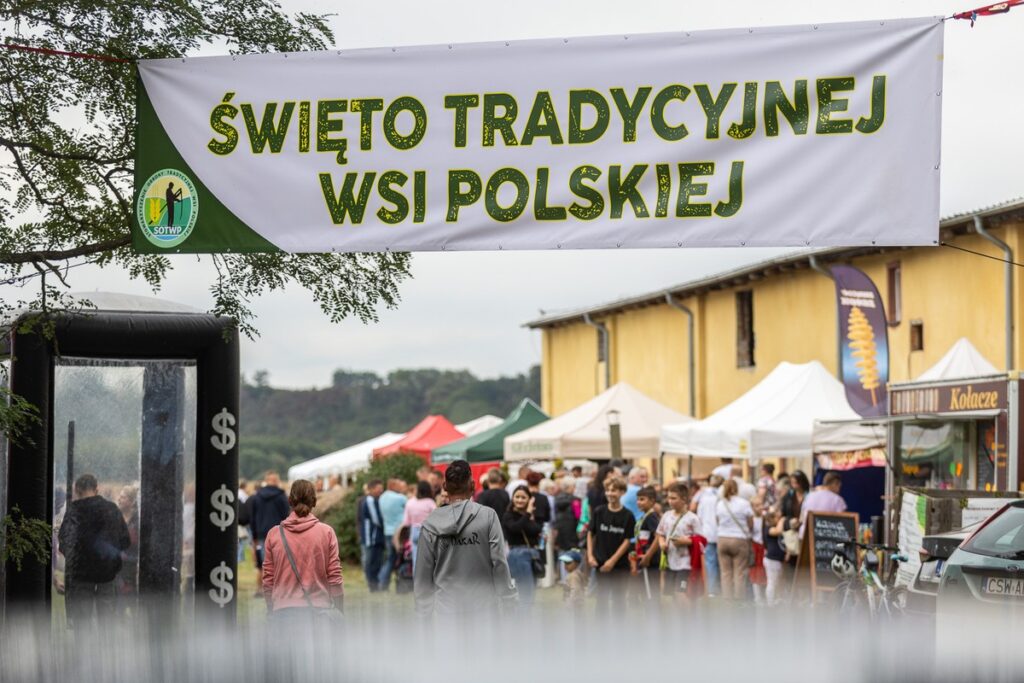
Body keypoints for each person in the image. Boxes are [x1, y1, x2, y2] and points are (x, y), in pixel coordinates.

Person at [415, 460, 517, 617]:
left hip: (447, 609)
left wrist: (424, 613)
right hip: (484, 608)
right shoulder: (488, 516)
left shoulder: (431, 523)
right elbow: (498, 562)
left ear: (445, 487)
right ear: (473, 485)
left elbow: (423, 573)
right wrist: (508, 598)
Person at [261, 479, 343, 624]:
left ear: (289, 501)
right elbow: (334, 575)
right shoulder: (327, 532)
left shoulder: (274, 534)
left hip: (283, 611)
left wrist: (270, 608)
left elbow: (268, 578)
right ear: (314, 502)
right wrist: (339, 608)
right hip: (318, 610)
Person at [58, 474, 131, 629]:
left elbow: (64, 542)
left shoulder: (74, 511)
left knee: (82, 626)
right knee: (107, 626)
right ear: (96, 489)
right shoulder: (112, 509)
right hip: (107, 576)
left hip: (81, 577)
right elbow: (125, 541)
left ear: (77, 490)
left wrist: (77, 559)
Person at [587, 475, 633, 617]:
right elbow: (590, 533)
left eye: (613, 490)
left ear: (622, 492)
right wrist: (590, 556)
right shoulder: (599, 512)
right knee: (601, 600)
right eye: (607, 490)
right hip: (601, 563)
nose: (609, 493)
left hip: (620, 566)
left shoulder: (628, 515)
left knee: (619, 600)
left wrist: (612, 561)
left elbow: (627, 541)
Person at [656, 482, 702, 605]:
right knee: (671, 595)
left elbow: (701, 540)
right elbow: (660, 533)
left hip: (685, 564)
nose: (670, 501)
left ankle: (689, 616)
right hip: (670, 563)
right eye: (669, 498)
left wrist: (686, 541)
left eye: (673, 498)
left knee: (681, 593)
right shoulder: (666, 516)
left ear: (684, 499)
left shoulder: (692, 518)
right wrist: (662, 543)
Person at [502, 485, 543, 607]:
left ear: (529, 499)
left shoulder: (529, 516)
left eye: (523, 497)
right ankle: (522, 618)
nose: (520, 500)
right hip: (518, 555)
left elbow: (536, 529)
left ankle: (525, 617)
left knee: (530, 594)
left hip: (532, 555)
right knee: (525, 594)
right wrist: (528, 513)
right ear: (512, 498)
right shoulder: (508, 515)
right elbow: (516, 528)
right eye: (517, 497)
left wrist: (529, 515)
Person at [715, 479, 754, 600]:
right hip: (739, 539)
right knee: (739, 573)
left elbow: (717, 521)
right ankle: (739, 601)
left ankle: (727, 601)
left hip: (722, 539)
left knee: (725, 573)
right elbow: (750, 523)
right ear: (737, 489)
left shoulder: (720, 504)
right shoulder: (744, 503)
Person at [251, 472, 290, 575]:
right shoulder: (281, 496)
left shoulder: (257, 496)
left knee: (265, 562)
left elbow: (253, 517)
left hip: (262, 533)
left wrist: (254, 536)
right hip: (279, 533)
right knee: (279, 562)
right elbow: (286, 516)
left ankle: (267, 583)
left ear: (266, 481)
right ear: (277, 481)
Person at [396, 480, 437, 570]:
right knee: (429, 558)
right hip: (428, 531)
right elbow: (436, 519)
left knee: (415, 558)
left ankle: (416, 577)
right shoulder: (430, 502)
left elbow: (406, 522)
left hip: (414, 531)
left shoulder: (410, 502)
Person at [692, 475, 722, 596]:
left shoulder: (702, 496)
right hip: (721, 533)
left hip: (707, 533)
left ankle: (711, 590)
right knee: (721, 562)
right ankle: (722, 588)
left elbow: (696, 513)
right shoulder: (722, 496)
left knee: (710, 562)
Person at [631, 486, 661, 605]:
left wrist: (648, 556)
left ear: (652, 501)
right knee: (645, 593)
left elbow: (658, 537)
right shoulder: (644, 516)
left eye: (642, 499)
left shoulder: (651, 517)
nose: (638, 502)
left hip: (650, 561)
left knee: (650, 595)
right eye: (638, 499)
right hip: (642, 559)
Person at [377, 478, 408, 591]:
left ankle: (383, 582)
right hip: (400, 532)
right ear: (393, 486)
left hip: (387, 531)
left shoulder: (382, 497)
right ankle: (402, 583)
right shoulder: (400, 498)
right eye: (399, 485)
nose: (401, 487)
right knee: (403, 558)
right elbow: (409, 508)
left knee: (390, 558)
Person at [799, 472, 848, 536]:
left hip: (805, 535)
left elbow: (801, 518)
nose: (839, 490)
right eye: (839, 486)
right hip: (825, 537)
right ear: (834, 483)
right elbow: (842, 523)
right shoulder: (838, 500)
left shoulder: (809, 496)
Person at [359, 479, 387, 591]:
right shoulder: (370, 500)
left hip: (374, 537)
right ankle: (373, 586)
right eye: (379, 488)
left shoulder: (374, 499)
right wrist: (386, 525)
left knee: (376, 561)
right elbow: (376, 519)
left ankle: (374, 585)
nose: (381, 491)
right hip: (371, 537)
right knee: (372, 562)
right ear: (371, 489)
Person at [114, 484, 139, 605]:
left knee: (134, 603)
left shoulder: (138, 520)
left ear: (131, 502)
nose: (119, 499)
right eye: (119, 496)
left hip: (133, 568)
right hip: (118, 568)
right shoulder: (115, 517)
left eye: (123, 497)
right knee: (118, 604)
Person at [552, 478, 580, 553]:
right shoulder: (575, 500)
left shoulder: (556, 498)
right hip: (572, 528)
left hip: (559, 528)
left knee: (561, 551)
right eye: (574, 486)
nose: (575, 488)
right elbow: (578, 515)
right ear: (570, 487)